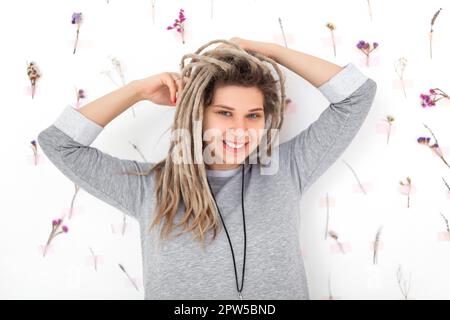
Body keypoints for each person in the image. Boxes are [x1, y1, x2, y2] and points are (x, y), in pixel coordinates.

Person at [37, 38, 377, 300]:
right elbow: (58, 142)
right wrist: (137, 90)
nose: (240, 130)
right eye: (225, 113)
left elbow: (357, 95)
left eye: (253, 115)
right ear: (199, 113)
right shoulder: (149, 188)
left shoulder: (288, 168)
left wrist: (271, 52)